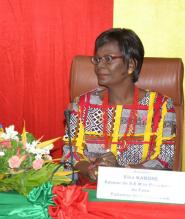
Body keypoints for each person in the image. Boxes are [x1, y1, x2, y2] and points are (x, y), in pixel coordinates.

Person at [62, 28, 176, 181]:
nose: (99, 66)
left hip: (138, 193)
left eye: (108, 59)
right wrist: (91, 170)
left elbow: (163, 161)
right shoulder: (82, 104)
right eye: (97, 59)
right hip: (90, 192)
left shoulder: (160, 107)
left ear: (130, 65)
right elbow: (70, 154)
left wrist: (119, 172)